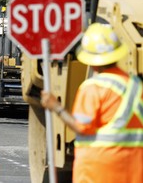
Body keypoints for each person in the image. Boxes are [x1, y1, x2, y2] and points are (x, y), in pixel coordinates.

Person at [40, 23, 143, 183]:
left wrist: (56, 107)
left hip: (97, 171)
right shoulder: (136, 85)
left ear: (91, 59)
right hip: (132, 171)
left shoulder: (93, 87)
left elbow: (81, 127)